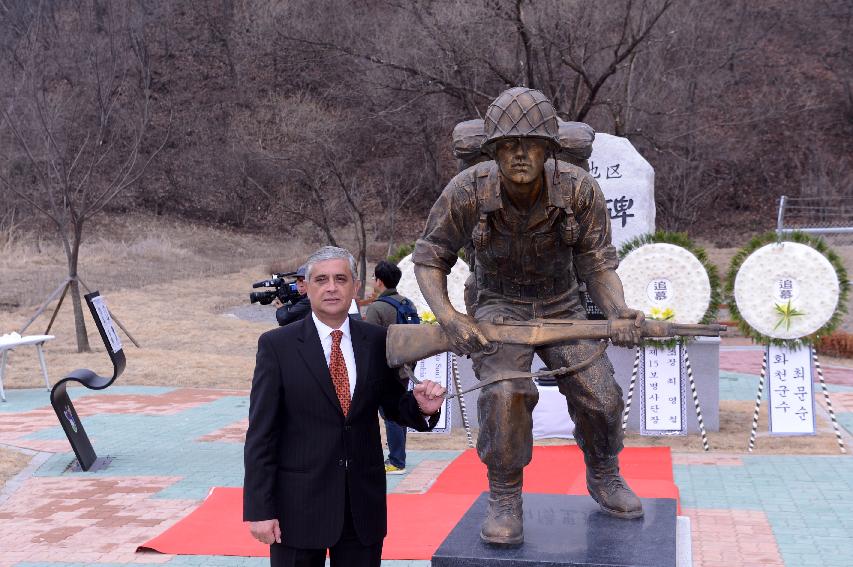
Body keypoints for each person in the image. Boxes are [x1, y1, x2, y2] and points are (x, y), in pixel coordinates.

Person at [413, 87, 644, 546]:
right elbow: (430, 257)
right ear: (492, 150)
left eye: (532, 143)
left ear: (550, 149)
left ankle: (604, 471)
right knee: (505, 395)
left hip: (563, 304)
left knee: (601, 396)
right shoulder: (468, 189)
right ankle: (504, 495)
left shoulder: (579, 189)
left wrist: (618, 311)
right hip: (497, 304)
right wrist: (451, 318)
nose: (520, 154)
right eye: (508, 145)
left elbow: (598, 264)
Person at [244, 245, 446, 567]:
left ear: (355, 287)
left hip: (361, 508)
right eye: (321, 279)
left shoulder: (377, 340)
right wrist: (259, 510)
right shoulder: (276, 347)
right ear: (305, 287)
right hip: (298, 507)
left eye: (341, 278)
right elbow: (261, 435)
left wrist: (422, 407)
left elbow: (394, 406)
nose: (332, 287)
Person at [364, 260, 415, 474]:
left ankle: (396, 461)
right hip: (405, 367)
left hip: (385, 369)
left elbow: (370, 342)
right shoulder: (407, 303)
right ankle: (399, 456)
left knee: (390, 415)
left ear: (379, 281)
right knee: (398, 412)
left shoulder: (377, 308)